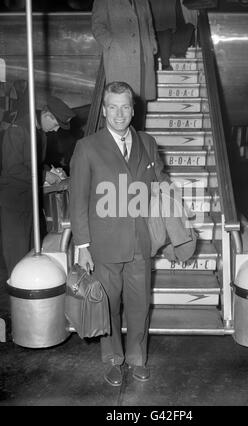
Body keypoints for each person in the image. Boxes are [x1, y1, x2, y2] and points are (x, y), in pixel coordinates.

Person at [69, 81, 169, 386]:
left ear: (133, 109)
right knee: (108, 305)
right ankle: (112, 359)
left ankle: (137, 358)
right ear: (103, 110)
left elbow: (158, 182)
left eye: (125, 106)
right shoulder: (87, 148)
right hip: (104, 244)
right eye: (112, 107)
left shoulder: (147, 143)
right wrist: (83, 245)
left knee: (140, 305)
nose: (119, 113)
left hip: (140, 243)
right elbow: (78, 200)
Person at [0, 95, 75, 276]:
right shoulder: (18, 130)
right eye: (56, 124)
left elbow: (34, 163)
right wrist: (43, 175)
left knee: (32, 251)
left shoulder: (40, 133)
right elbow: (13, 169)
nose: (56, 130)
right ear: (48, 116)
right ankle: (16, 294)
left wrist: (51, 170)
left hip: (30, 200)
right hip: (14, 204)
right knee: (17, 253)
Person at [91, 0, 157, 130]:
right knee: (120, 106)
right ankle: (118, 147)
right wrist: (112, 44)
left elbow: (149, 23)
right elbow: (97, 26)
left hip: (143, 62)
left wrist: (152, 43)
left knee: (139, 110)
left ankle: (137, 146)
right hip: (120, 61)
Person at [149, 0, 177, 70]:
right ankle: (164, 64)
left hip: (156, 13)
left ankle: (160, 65)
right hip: (164, 15)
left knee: (162, 35)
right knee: (165, 34)